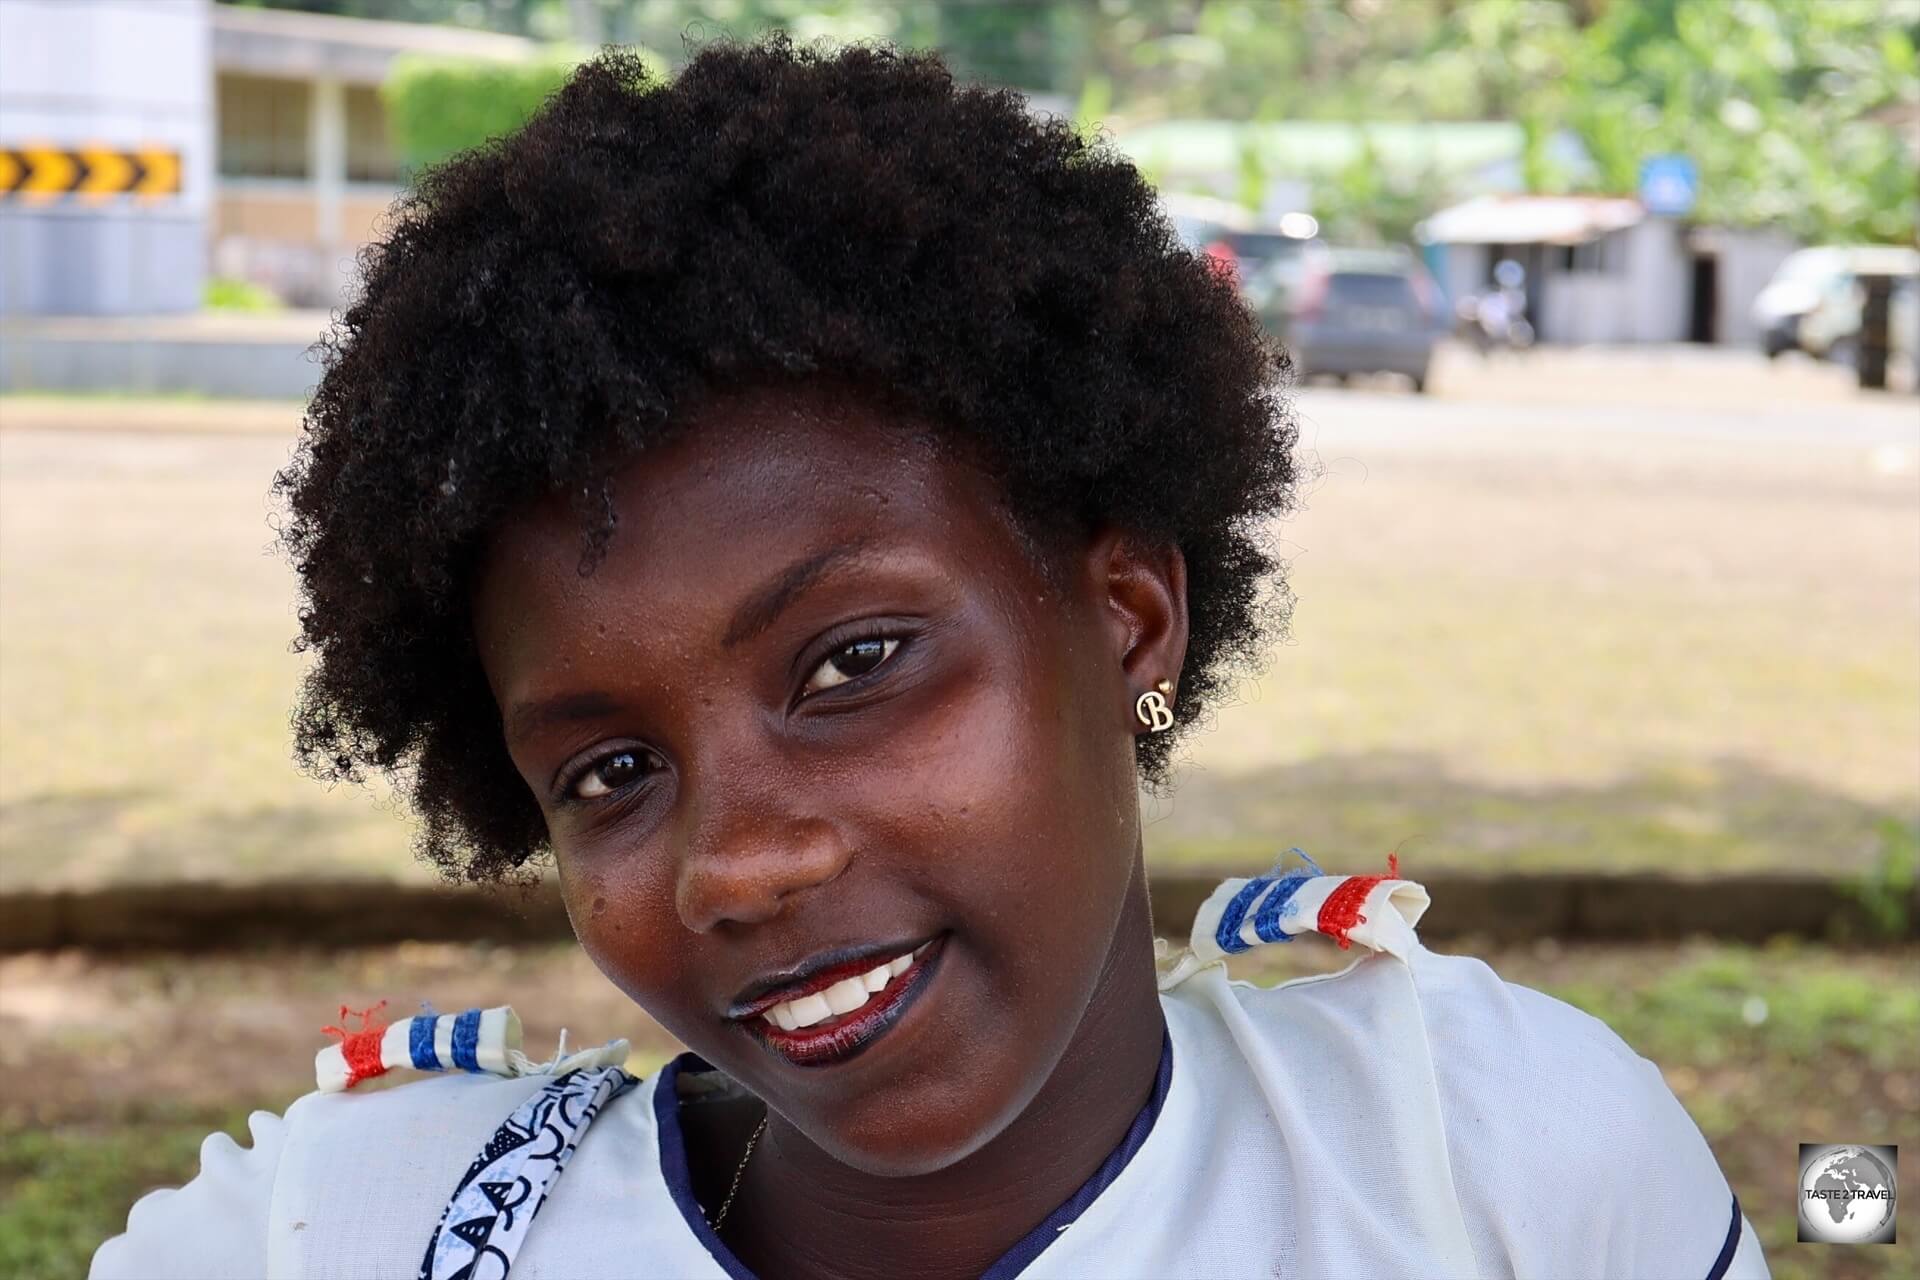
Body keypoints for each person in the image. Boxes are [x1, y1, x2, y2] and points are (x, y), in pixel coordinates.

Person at [92, 39, 1766, 1280]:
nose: (740, 864)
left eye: (854, 663)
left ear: (1129, 617)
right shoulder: (353, 1230)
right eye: (610, 773)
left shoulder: (1482, 1160)